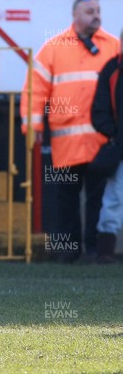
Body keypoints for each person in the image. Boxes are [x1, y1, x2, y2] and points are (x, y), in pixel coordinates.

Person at [20, 0, 119, 262]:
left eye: (98, 10)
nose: (96, 15)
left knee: (99, 199)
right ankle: (69, 251)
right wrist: (33, 125)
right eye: (89, 11)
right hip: (68, 143)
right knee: (67, 200)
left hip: (101, 142)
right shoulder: (54, 47)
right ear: (75, 15)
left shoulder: (113, 46)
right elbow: (35, 89)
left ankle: (96, 250)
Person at [91, 30, 123, 263]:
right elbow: (99, 111)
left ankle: (105, 252)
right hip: (120, 148)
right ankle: (104, 254)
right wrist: (116, 136)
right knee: (114, 199)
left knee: (114, 198)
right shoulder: (112, 70)